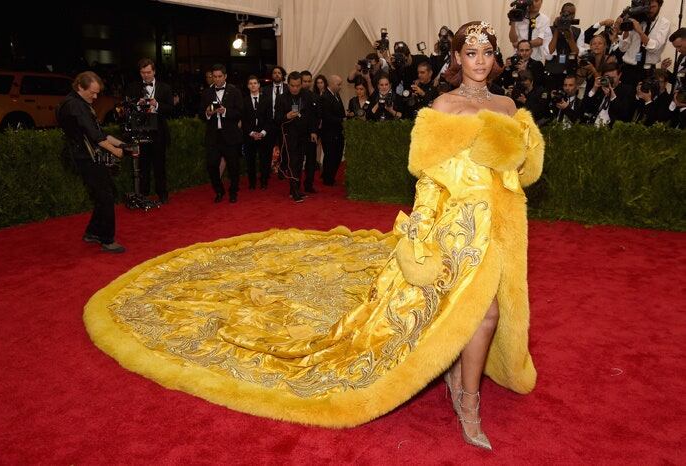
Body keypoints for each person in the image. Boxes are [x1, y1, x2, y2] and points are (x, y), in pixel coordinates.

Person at [84, 22, 543, 451]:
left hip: (498, 227)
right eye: (470, 53)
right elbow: (426, 176)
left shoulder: (507, 108)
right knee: (470, 311)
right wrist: (420, 231)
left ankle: (462, 387)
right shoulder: (443, 107)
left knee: (482, 313)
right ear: (456, 59)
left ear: (495, 58)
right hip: (453, 226)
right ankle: (465, 397)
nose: (479, 61)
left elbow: (524, 173)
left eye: (486, 53)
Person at [57, 71, 125, 253]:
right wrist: (117, 151)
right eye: (92, 93)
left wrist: (123, 144)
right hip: (84, 157)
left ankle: (93, 232)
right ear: (80, 87)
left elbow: (99, 131)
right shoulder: (74, 106)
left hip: (87, 155)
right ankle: (107, 239)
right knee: (106, 195)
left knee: (104, 193)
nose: (95, 97)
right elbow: (95, 137)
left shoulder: (79, 103)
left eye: (97, 93)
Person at [124, 58, 173, 204]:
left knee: (159, 165)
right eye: (143, 72)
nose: (146, 75)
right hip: (140, 131)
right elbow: (126, 108)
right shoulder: (132, 87)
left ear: (154, 71)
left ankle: (162, 194)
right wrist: (137, 106)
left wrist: (156, 104)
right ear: (139, 73)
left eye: (148, 72)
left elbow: (171, 109)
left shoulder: (165, 88)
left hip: (159, 132)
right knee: (142, 165)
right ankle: (143, 194)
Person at [201, 63, 244, 203]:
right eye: (215, 76)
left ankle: (233, 191)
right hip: (213, 136)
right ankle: (219, 190)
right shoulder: (206, 92)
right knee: (211, 165)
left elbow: (240, 112)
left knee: (233, 166)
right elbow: (201, 115)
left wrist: (225, 111)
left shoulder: (234, 91)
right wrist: (207, 113)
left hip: (230, 136)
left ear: (225, 76)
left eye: (220, 76)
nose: (217, 79)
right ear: (211, 77)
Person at [275, 71, 318, 202]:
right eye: (292, 85)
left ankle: (295, 189)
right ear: (288, 84)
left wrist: (313, 131)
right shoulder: (281, 98)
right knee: (292, 163)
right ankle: (295, 192)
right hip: (289, 135)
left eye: (298, 85)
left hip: (304, 134)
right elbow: (276, 119)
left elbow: (312, 116)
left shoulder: (307, 96)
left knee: (299, 163)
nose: (295, 88)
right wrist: (286, 116)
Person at [615, 0, 671, 88]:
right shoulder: (635, 19)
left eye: (653, 7)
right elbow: (622, 48)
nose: (650, 10)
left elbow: (655, 48)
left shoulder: (664, 23)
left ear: (659, 6)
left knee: (641, 100)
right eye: (647, 7)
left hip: (647, 71)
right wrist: (625, 29)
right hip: (628, 69)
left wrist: (640, 32)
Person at [242, 75, 272, 190]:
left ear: (259, 85)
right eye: (251, 83)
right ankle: (252, 183)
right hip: (249, 136)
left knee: (264, 160)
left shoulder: (266, 100)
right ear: (248, 86)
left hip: (263, 135)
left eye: (255, 83)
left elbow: (270, 119)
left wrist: (262, 133)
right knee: (250, 161)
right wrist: (252, 133)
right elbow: (243, 120)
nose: (253, 85)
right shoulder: (244, 101)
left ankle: (264, 181)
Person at [319, 75, 346, 186]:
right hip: (329, 133)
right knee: (330, 156)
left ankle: (330, 177)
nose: (340, 87)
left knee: (337, 155)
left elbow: (339, 111)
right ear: (331, 84)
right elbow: (326, 117)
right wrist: (342, 120)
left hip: (338, 132)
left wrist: (345, 116)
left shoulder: (336, 94)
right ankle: (328, 179)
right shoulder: (325, 97)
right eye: (338, 84)